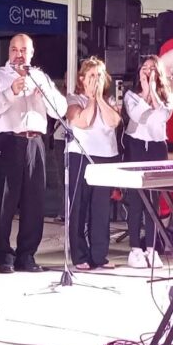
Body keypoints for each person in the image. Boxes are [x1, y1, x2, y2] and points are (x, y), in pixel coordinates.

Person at [0, 34, 66, 273]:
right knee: (4, 202)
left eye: (23, 50)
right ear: (9, 52)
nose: (19, 55)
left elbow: (60, 110)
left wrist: (45, 94)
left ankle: (27, 255)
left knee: (34, 202)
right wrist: (11, 92)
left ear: (32, 53)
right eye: (14, 50)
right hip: (8, 140)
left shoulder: (40, 77)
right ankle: (3, 256)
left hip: (35, 141)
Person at [66, 57, 120, 271]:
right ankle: (80, 255)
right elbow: (83, 121)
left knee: (101, 209)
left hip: (105, 157)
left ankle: (99, 255)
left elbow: (114, 122)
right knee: (79, 207)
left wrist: (99, 99)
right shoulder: (74, 99)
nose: (96, 80)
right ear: (82, 78)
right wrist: (90, 99)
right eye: (91, 76)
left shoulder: (110, 100)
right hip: (81, 156)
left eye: (99, 76)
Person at [121, 55, 173, 269]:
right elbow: (139, 117)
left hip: (156, 147)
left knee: (153, 201)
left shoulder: (168, 95)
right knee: (136, 200)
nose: (148, 70)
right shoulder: (131, 95)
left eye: (152, 68)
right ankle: (135, 249)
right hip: (135, 145)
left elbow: (162, 117)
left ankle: (152, 249)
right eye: (145, 67)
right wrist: (144, 92)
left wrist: (152, 90)